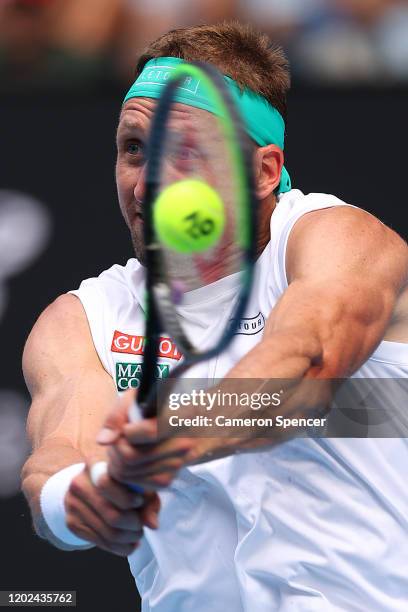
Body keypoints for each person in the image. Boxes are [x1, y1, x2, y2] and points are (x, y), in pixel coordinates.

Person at [22, 21, 408, 612]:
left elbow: (307, 364)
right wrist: (75, 501)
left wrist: (170, 429)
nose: (148, 181)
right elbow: (60, 453)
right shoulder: (84, 319)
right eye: (132, 149)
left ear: (264, 170)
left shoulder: (339, 240)